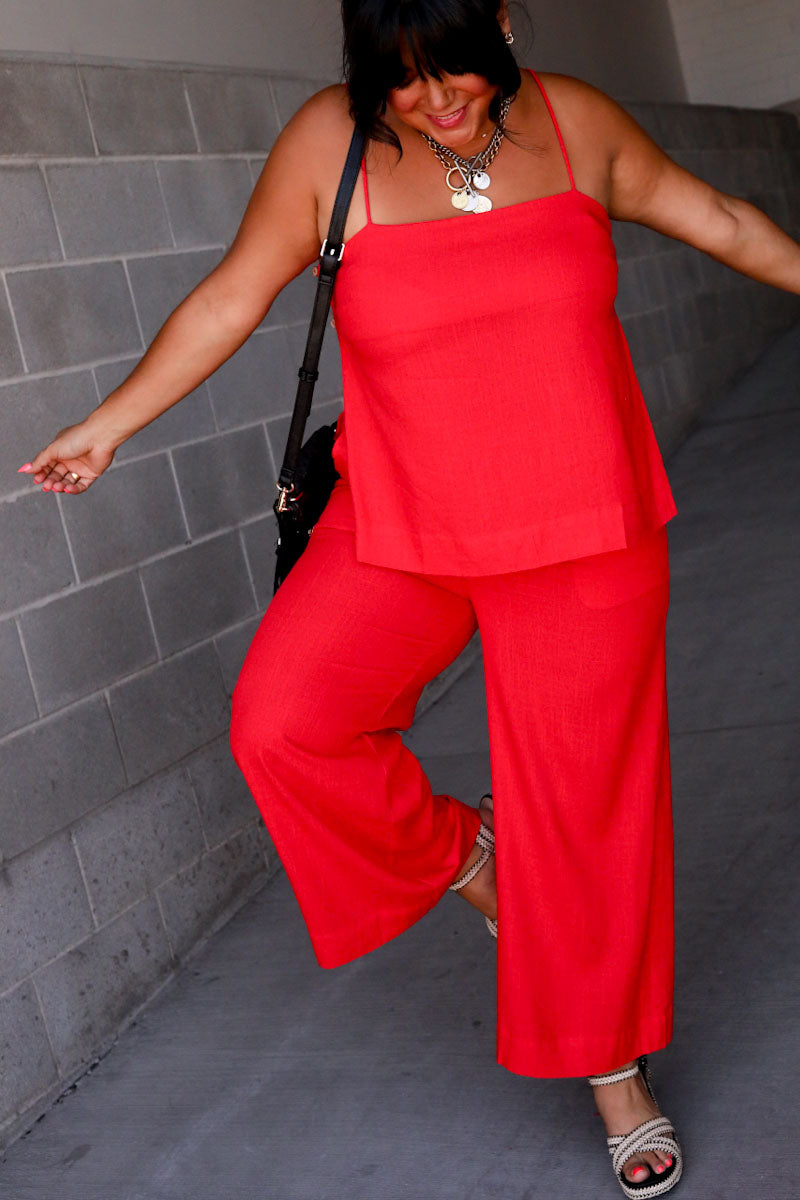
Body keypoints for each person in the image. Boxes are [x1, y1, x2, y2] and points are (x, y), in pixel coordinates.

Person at [18, 0, 800, 1194]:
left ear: (500, 27)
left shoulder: (576, 123)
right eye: (400, 78)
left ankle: (612, 1076)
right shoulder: (326, 147)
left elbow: (727, 222)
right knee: (284, 724)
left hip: (580, 528)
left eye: (456, 71)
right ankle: (469, 855)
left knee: (581, 815)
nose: (435, 100)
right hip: (399, 521)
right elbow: (232, 296)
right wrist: (108, 425)